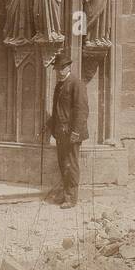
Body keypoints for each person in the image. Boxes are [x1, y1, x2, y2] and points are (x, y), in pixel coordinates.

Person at [45, 52, 89, 208]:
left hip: (71, 133)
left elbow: (81, 110)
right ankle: (65, 194)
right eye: (57, 68)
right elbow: (58, 109)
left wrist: (76, 132)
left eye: (63, 67)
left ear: (69, 66)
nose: (60, 71)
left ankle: (71, 198)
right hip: (60, 132)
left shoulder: (76, 83)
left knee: (71, 164)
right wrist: (50, 126)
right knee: (63, 163)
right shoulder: (59, 84)